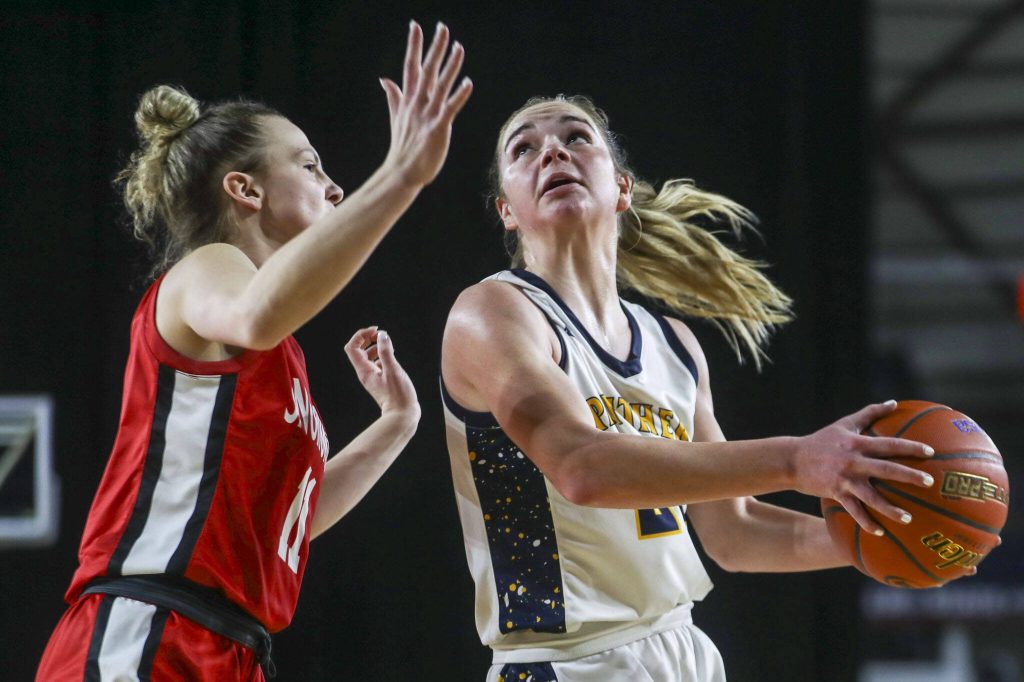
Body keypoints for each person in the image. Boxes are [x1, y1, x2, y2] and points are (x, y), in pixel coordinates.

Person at [439, 95, 937, 682]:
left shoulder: (672, 345)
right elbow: (582, 468)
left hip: (683, 652)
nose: (552, 150)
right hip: (565, 663)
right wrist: (798, 459)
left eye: (576, 137)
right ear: (507, 211)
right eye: (524, 148)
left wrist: (887, 539)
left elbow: (735, 532)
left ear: (622, 188)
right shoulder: (493, 312)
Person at [36, 21, 471, 682]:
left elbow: (290, 520)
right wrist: (402, 176)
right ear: (245, 189)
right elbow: (256, 313)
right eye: (309, 164)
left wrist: (395, 426)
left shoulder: (278, 353)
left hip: (235, 646)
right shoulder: (205, 273)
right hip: (150, 625)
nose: (334, 187)